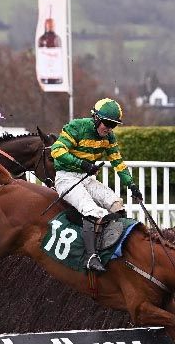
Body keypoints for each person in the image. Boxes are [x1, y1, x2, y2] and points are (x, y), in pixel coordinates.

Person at [50, 98, 143, 272]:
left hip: (86, 179)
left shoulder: (109, 137)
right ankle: (90, 257)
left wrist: (132, 186)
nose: (108, 128)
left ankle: (113, 250)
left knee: (116, 204)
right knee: (92, 210)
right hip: (66, 178)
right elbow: (56, 150)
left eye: (113, 125)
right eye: (106, 123)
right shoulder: (76, 127)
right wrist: (83, 164)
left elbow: (117, 162)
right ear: (96, 118)